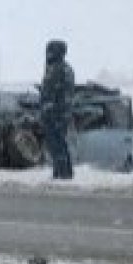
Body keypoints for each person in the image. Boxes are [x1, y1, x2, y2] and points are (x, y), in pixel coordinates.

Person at [40, 39, 75, 179]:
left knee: (56, 145)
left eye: (49, 51)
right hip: (62, 113)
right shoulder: (66, 68)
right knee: (61, 144)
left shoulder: (56, 69)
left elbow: (50, 93)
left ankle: (61, 173)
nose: (47, 54)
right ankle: (65, 172)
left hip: (55, 113)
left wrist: (47, 111)